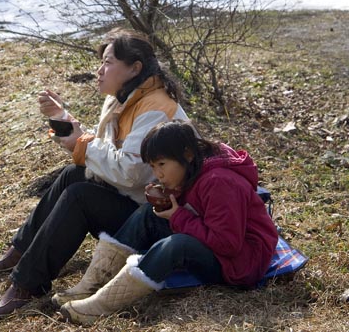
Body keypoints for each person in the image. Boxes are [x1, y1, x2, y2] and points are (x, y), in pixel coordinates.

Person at [0, 28, 189, 318]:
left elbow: (131, 173)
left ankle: (28, 284)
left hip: (157, 219)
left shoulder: (155, 108)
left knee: (80, 196)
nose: (99, 70)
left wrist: (82, 144)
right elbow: (104, 149)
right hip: (134, 200)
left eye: (108, 62)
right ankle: (21, 251)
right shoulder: (124, 98)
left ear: (135, 68)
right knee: (72, 175)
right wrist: (62, 119)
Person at [59, 121, 279, 326]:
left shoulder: (218, 182)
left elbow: (227, 243)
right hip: (220, 246)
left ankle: (100, 305)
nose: (158, 174)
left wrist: (178, 217)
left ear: (188, 154)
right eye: (153, 166)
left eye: (162, 164)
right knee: (148, 214)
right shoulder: (193, 171)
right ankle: (91, 285)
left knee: (177, 244)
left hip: (243, 263)